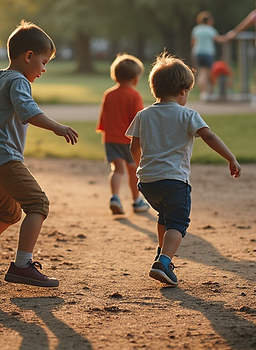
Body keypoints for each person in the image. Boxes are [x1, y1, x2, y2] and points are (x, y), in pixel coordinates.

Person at [0, 21, 80, 288]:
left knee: (9, 213)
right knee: (38, 204)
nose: (44, 69)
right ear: (29, 56)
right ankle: (23, 265)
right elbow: (28, 111)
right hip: (4, 156)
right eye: (44, 62)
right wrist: (57, 127)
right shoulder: (19, 81)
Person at [127, 53, 241, 286]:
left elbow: (134, 146)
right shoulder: (188, 115)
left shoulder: (143, 115)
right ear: (182, 91)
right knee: (177, 223)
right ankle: (165, 261)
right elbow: (208, 136)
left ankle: (161, 253)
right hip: (175, 181)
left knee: (164, 216)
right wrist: (230, 157)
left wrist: (142, 165)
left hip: (147, 182)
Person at [97, 54, 152, 215]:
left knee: (117, 170)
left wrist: (105, 131)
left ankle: (114, 197)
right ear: (136, 79)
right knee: (133, 170)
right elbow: (138, 120)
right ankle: (136, 201)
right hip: (128, 141)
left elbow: (104, 117)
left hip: (111, 139)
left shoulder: (109, 94)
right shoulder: (134, 95)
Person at [190, 11, 222, 100]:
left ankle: (203, 92)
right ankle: (206, 92)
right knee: (207, 72)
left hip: (197, 52)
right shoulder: (210, 30)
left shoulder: (196, 29)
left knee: (201, 72)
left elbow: (193, 42)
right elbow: (218, 39)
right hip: (208, 52)